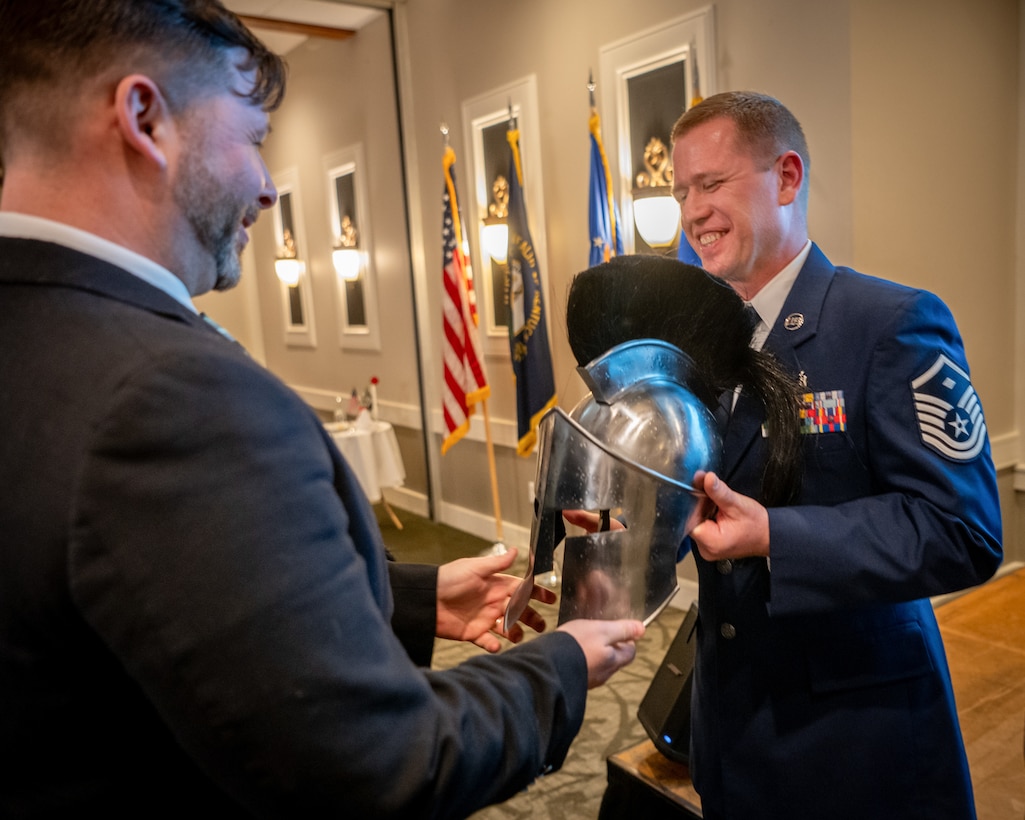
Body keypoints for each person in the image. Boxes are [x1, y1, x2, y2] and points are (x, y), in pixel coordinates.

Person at [0, 2, 644, 817]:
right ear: (143, 118)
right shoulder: (171, 398)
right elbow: (376, 766)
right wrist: (559, 663)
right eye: (253, 136)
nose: (267, 188)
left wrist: (398, 596)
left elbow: (134, 601)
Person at [664, 91, 1003, 818]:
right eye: (681, 190)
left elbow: (962, 531)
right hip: (730, 732)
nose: (692, 212)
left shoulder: (890, 323)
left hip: (857, 747)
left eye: (712, 183)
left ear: (785, 178)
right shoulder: (696, 348)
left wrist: (773, 538)